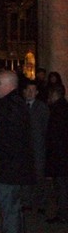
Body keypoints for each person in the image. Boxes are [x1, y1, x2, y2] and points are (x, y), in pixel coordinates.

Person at [0, 70, 35, 233]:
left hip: (7, 169)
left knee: (10, 211)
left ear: (8, 85)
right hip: (17, 168)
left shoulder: (4, 106)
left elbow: (0, 138)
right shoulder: (18, 103)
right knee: (15, 210)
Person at [21, 80, 49, 214]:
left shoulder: (42, 107)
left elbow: (45, 128)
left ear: (37, 92)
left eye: (33, 90)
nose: (30, 93)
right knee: (26, 175)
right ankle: (26, 202)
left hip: (38, 147)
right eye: (28, 90)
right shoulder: (21, 106)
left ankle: (41, 203)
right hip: (25, 148)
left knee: (39, 177)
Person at [45, 84, 68, 224]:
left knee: (62, 187)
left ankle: (63, 213)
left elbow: (54, 137)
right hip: (63, 155)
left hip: (60, 157)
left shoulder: (57, 111)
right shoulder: (63, 108)